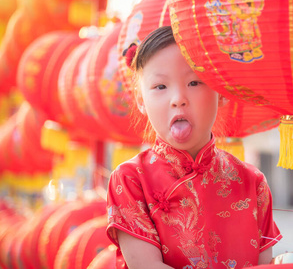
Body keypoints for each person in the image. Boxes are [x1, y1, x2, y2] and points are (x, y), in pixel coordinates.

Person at [106, 26, 282, 269]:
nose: (178, 98)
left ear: (221, 92)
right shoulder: (130, 180)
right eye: (160, 87)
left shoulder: (252, 182)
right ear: (140, 99)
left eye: (194, 82)